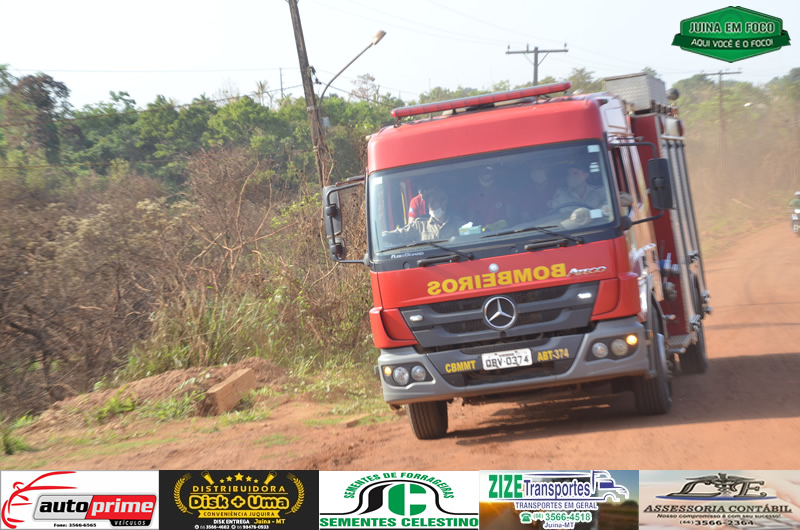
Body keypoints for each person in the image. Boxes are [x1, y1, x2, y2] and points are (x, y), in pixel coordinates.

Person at [382, 187, 466, 245]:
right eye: (429, 202)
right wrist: (381, 236)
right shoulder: (419, 225)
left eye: (434, 201)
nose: (430, 205)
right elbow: (400, 235)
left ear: (444, 202)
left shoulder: (458, 224)